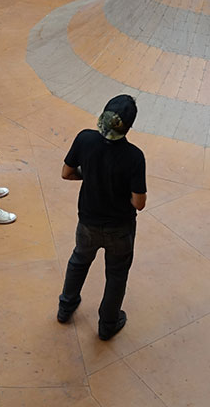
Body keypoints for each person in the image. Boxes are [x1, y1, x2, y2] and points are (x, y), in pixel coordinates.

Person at [57, 94, 146, 341]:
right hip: (120, 228)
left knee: (79, 260)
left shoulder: (85, 139)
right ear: (129, 126)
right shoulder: (134, 156)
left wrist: (91, 176)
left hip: (87, 222)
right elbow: (139, 203)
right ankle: (108, 324)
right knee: (116, 274)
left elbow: (66, 173)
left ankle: (66, 307)